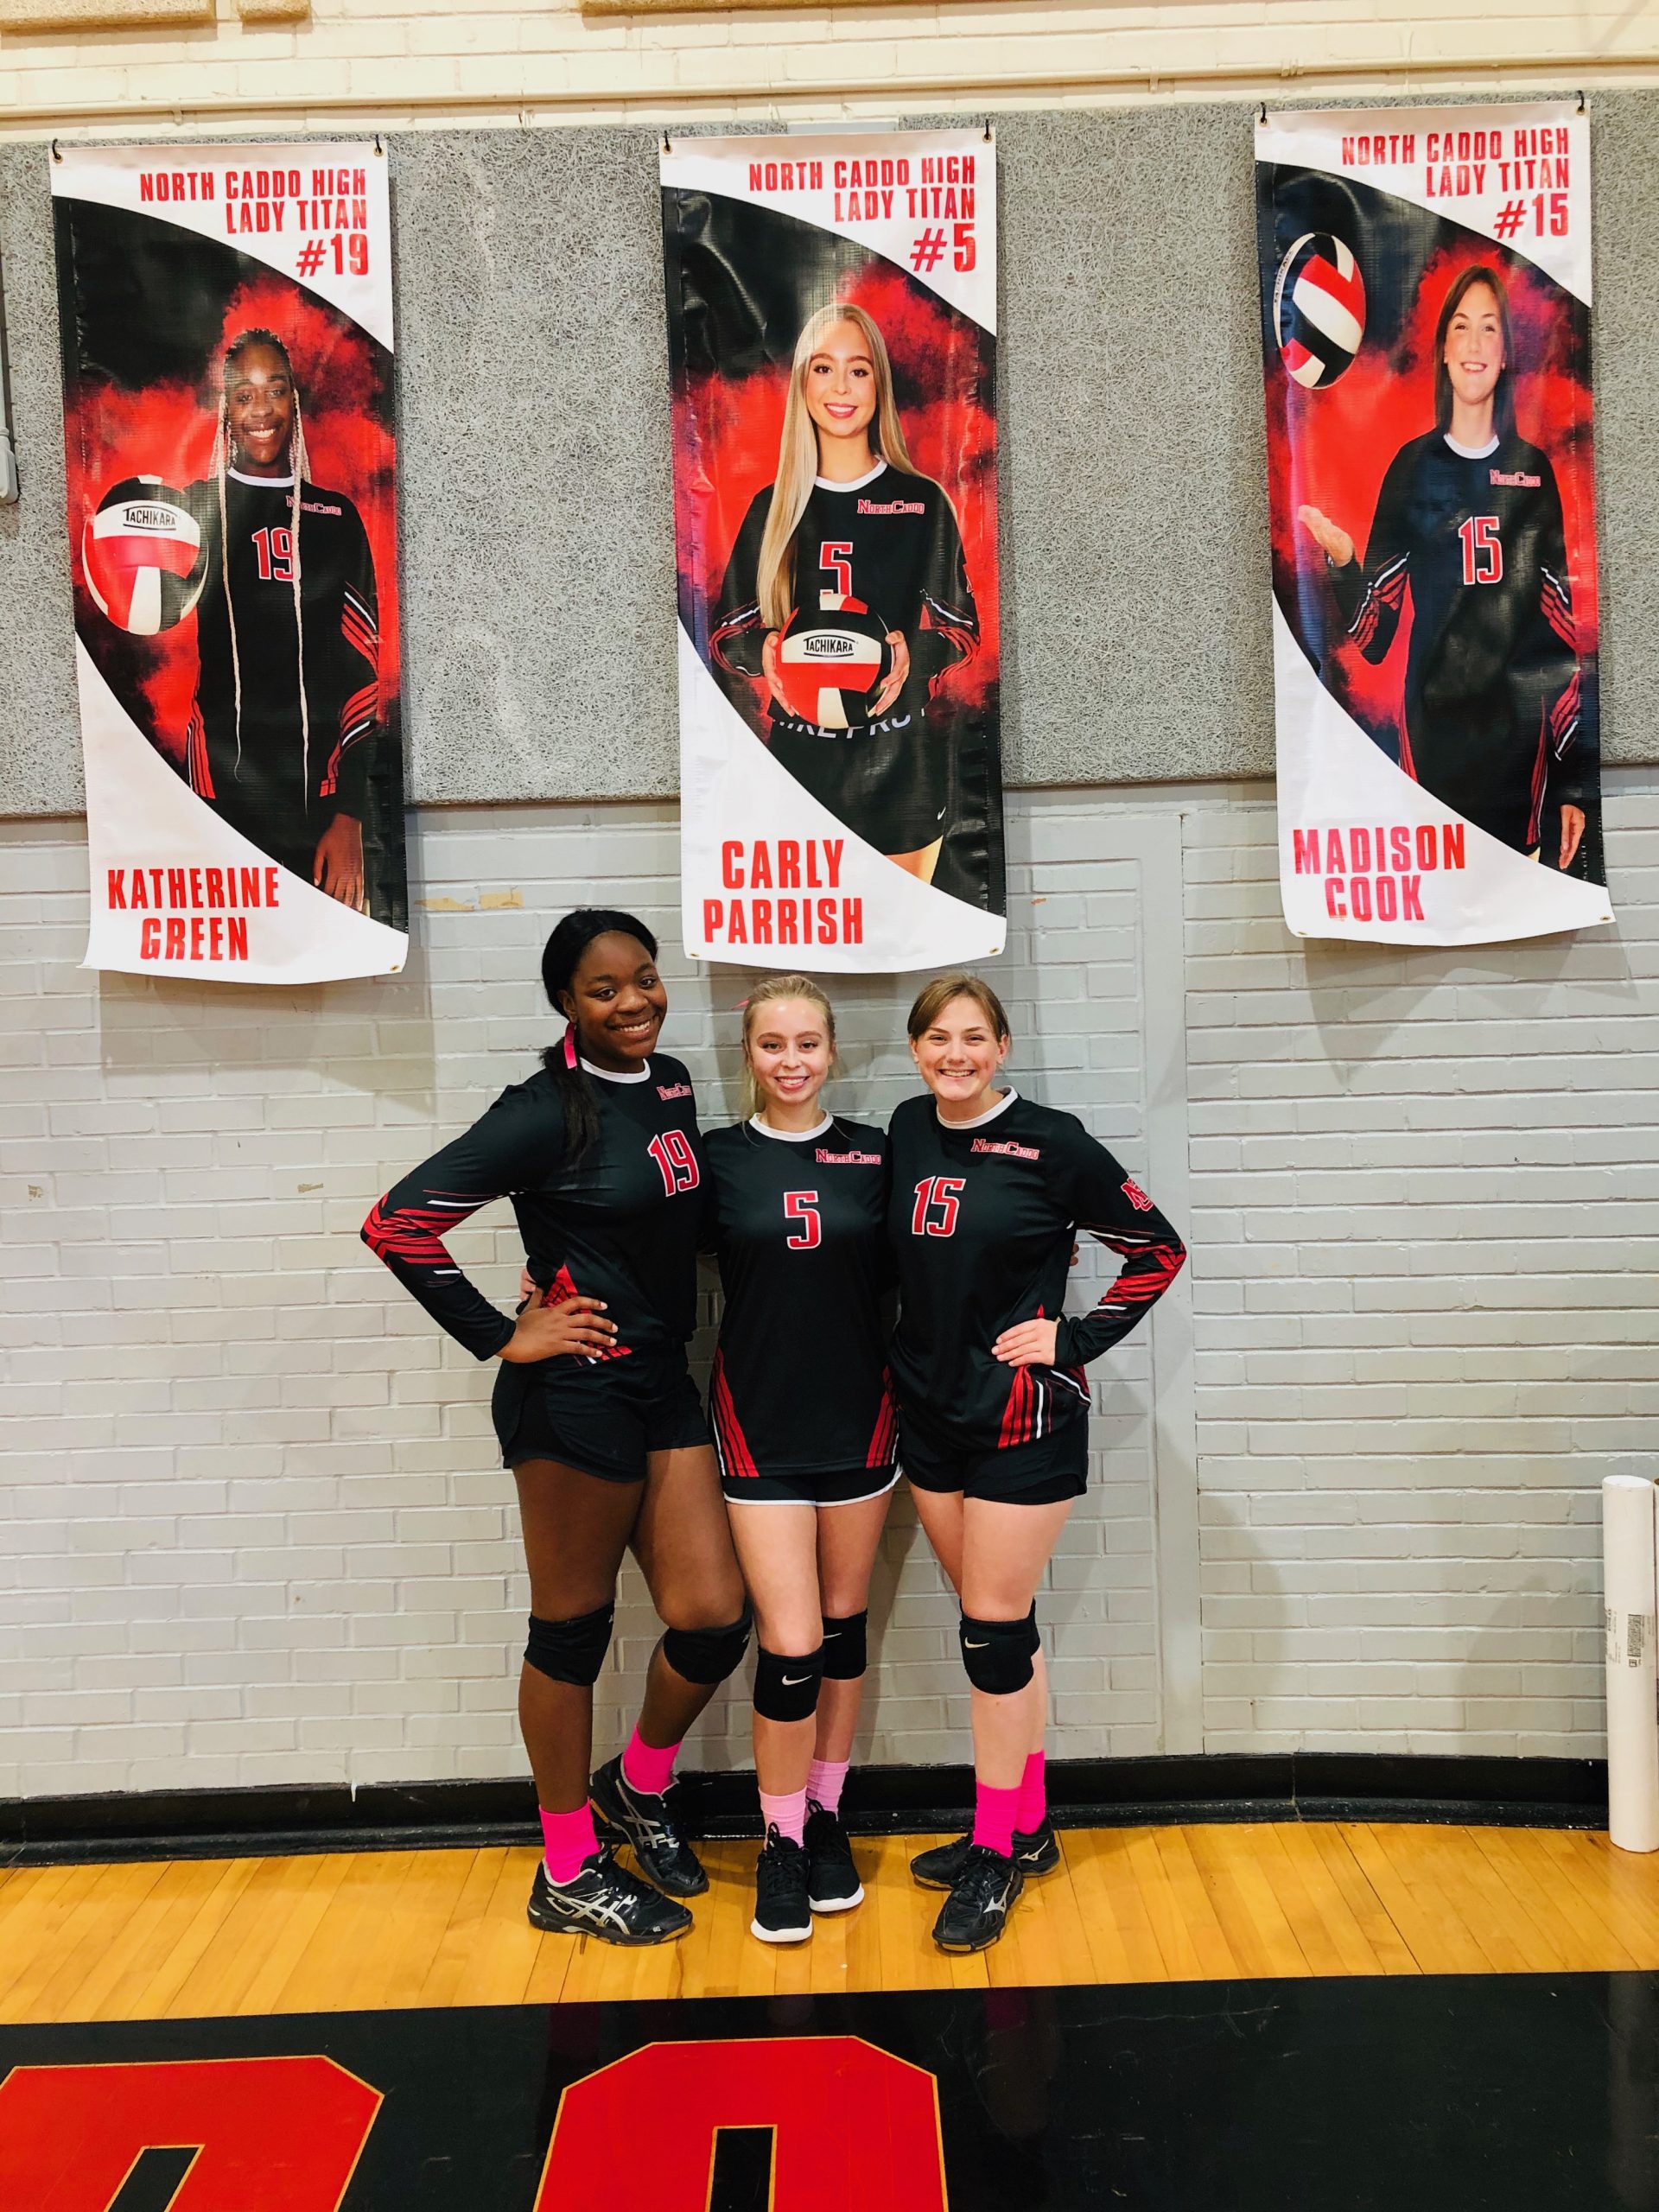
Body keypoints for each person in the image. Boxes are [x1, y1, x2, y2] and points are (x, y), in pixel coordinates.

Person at [361, 910, 751, 1945]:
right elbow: (398, 1221)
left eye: (645, 978)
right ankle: (569, 1867)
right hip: (575, 1396)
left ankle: (640, 1784)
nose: (634, 1001)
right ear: (566, 1004)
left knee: (713, 1616)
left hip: (662, 1380)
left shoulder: (668, 1080)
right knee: (571, 1635)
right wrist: (504, 1333)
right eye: (604, 989)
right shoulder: (543, 1109)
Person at [887, 976, 1186, 1954]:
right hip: (929, 1417)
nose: (956, 1053)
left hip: (1024, 1421)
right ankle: (1030, 1823)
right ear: (917, 1048)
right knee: (1002, 1635)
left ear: (1003, 1046)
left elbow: (1156, 1248)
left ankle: (992, 1850)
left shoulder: (1054, 1142)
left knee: (989, 1633)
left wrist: (1076, 1337)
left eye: (974, 1037)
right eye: (938, 1037)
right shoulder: (904, 1126)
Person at [702, 976, 897, 1943]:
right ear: (750, 1053)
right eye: (774, 1043)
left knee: (843, 1626)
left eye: (808, 1044)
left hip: (862, 1420)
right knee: (790, 1646)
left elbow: (952, 1248)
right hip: (759, 1423)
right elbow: (638, 1250)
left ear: (832, 1051)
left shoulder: (877, 1155)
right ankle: (777, 1837)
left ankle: (825, 1813)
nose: (791, 1061)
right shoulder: (714, 1160)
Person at [1297, 264, 1586, 868]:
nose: (1475, 343)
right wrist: (1346, 561)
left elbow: (1559, 638)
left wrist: (1570, 781)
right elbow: (1373, 635)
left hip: (1516, 757)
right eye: (1462, 327)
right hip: (1431, 747)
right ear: (1445, 350)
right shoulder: (1411, 470)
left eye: (1490, 329)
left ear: (1506, 353)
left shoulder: (1533, 473)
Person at [710, 302, 980, 885]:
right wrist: (766, 652)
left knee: (903, 940)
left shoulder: (923, 502)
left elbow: (962, 630)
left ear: (879, 384)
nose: (841, 387)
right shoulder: (771, 507)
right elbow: (725, 634)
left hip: (900, 772)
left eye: (858, 370)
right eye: (822, 368)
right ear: (803, 383)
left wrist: (918, 653)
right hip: (797, 769)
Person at [182, 327, 383, 911]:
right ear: (225, 408)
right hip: (218, 787)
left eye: (276, 389)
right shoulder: (193, 508)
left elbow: (363, 674)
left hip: (318, 799)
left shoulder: (334, 517)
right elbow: (144, 622)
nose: (261, 408)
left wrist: (349, 816)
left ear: (295, 400)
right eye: (244, 394)